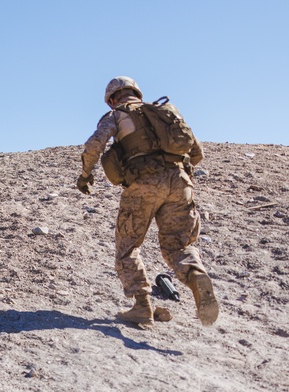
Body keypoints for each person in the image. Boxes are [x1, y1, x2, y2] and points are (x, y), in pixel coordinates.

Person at [76, 76, 219, 327]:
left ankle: (142, 306)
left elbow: (94, 145)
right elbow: (197, 153)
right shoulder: (164, 113)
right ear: (137, 93)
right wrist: (171, 170)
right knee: (177, 245)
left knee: (128, 247)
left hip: (143, 184)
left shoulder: (116, 115)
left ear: (111, 99)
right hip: (180, 183)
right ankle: (196, 276)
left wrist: (85, 174)